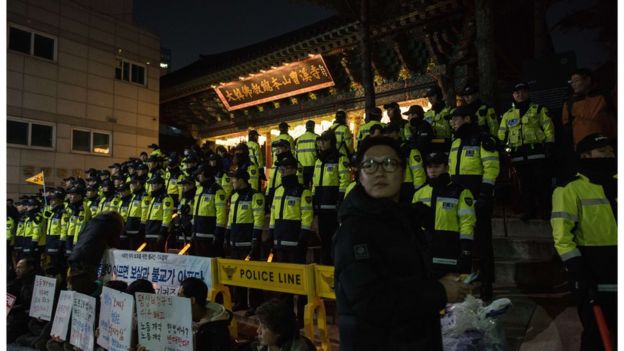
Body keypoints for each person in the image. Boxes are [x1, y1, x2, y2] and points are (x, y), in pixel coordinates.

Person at [334, 136, 470, 351]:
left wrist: (444, 281)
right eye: (369, 165)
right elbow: (371, 303)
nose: (379, 172)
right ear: (358, 175)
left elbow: (404, 277)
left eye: (389, 163)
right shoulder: (354, 231)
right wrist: (440, 291)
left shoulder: (402, 220)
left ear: (403, 172)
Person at [551, 133, 617, 350]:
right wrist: (576, 268)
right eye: (603, 151)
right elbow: (562, 236)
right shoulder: (570, 189)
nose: (609, 155)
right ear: (586, 155)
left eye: (610, 150)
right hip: (593, 269)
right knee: (596, 334)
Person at [447, 106, 500, 301]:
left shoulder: (482, 138)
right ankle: (464, 284)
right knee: (463, 244)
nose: (452, 122)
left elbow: (491, 167)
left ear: (467, 118)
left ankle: (486, 286)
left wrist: (485, 194)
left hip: (478, 198)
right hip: (460, 201)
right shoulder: (456, 141)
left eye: (456, 119)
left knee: (483, 245)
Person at [412, 152, 476, 278]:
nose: (432, 170)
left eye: (437, 166)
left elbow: (467, 222)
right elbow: (413, 225)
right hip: (426, 248)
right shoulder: (419, 194)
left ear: (446, 167)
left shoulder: (461, 192)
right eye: (429, 166)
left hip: (450, 247)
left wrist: (466, 249)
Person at [498, 82, 555, 220]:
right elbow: (502, 134)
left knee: (542, 183)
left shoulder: (538, 109)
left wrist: (549, 144)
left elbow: (548, 128)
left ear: (528, 93)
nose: (520, 95)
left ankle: (545, 211)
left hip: (537, 152)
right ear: (513, 95)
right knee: (525, 185)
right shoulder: (507, 115)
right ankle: (529, 210)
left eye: (523, 91)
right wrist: (501, 148)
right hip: (518, 155)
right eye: (517, 92)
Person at [269, 154, 313, 325]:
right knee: (283, 282)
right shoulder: (278, 190)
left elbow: (307, 214)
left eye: (285, 168)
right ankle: (286, 316)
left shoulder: (303, 191)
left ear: (294, 169)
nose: (282, 171)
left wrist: (303, 234)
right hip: (280, 241)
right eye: (281, 169)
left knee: (299, 282)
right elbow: (273, 213)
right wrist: (271, 232)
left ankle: (301, 318)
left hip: (295, 242)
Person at [560, 68, 617, 181]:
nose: (573, 84)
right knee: (587, 179)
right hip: (583, 150)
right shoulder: (569, 103)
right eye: (572, 82)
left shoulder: (604, 96)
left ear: (587, 80)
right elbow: (566, 126)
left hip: (605, 147)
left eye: (576, 80)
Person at [226, 168, 265, 315]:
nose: (232, 182)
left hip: (248, 242)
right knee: (237, 274)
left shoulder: (255, 196)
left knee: (251, 275)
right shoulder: (235, 196)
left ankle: (255, 305)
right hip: (235, 240)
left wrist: (255, 238)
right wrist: (227, 234)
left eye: (234, 179)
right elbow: (230, 218)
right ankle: (240, 302)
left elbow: (259, 219)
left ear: (241, 180)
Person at [312, 130, 350, 264]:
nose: (321, 143)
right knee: (324, 241)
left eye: (324, 140)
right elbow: (315, 184)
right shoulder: (318, 161)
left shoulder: (340, 158)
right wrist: (314, 205)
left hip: (334, 208)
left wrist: (340, 201)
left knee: (336, 241)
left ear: (331, 142)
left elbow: (344, 181)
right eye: (320, 141)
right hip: (321, 209)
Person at [178, 277, 231, 351]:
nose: (177, 301)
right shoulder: (183, 319)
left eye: (180, 297)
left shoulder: (215, 330)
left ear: (192, 300)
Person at [250, 298, 316, 351]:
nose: (258, 331)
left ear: (279, 331)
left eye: (264, 327)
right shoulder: (261, 346)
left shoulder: (302, 348)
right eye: (259, 324)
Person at [192, 164, 227, 257]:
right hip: (197, 233)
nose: (198, 177)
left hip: (209, 235)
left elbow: (221, 214)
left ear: (206, 174)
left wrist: (218, 232)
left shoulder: (218, 190)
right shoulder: (199, 189)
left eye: (200, 174)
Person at [7, 257, 38, 343]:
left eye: (20, 267)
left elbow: (28, 305)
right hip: (19, 314)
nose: (17, 270)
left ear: (30, 268)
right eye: (17, 268)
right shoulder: (19, 282)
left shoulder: (37, 283)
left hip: (29, 317)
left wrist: (11, 309)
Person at [143, 174, 174, 252]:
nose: (152, 186)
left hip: (158, 232)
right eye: (151, 184)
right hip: (150, 231)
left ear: (160, 185)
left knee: (158, 256)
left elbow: (167, 216)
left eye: (154, 184)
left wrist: (162, 231)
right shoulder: (153, 198)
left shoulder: (166, 198)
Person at [423, 86, 453, 153]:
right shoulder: (426, 114)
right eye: (428, 97)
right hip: (432, 147)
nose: (430, 99)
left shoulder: (449, 111)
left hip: (448, 146)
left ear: (439, 95)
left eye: (432, 96)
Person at [295, 120, 319, 188]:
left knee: (304, 187)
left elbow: (296, 155)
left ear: (306, 127)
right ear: (313, 127)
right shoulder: (316, 137)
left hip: (302, 168)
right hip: (314, 167)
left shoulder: (299, 139)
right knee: (314, 186)